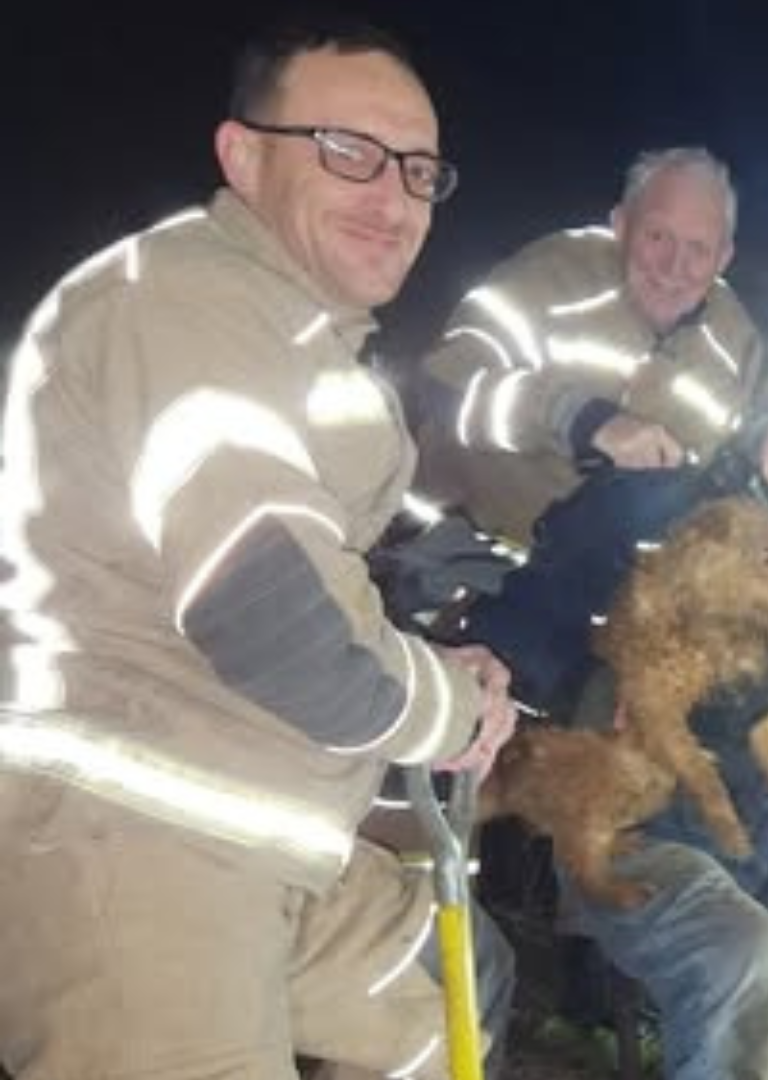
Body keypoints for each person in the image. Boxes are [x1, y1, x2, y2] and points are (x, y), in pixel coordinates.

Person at [0, 16, 517, 1079]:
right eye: (348, 151)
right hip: (137, 843)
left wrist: (423, 649)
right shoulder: (186, 306)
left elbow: (323, 592)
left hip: (272, 840)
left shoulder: (298, 340)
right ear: (242, 155)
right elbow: (283, 625)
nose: (392, 195)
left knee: (455, 985)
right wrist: (453, 710)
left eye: (418, 169)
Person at [456, 368, 768, 1078]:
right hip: (633, 832)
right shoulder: (652, 510)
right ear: (762, 423)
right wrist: (545, 675)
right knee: (749, 970)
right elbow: (525, 620)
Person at [412, 145, 763, 546]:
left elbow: (720, 482)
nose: (673, 266)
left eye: (699, 248)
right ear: (620, 224)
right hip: (454, 542)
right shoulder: (551, 275)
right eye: (657, 235)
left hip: (613, 589)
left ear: (724, 258)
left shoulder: (738, 345)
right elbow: (442, 384)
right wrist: (579, 419)